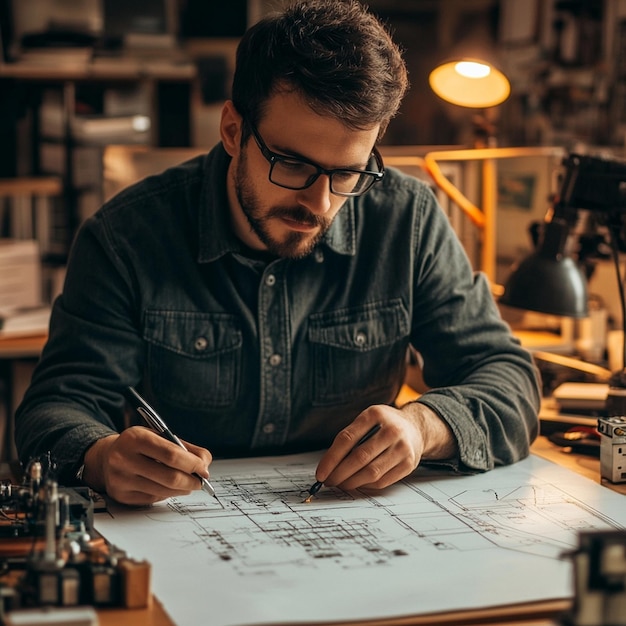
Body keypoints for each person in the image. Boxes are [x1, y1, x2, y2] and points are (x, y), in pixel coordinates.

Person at [14, 0, 541, 506]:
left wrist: (425, 426)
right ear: (232, 130)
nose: (319, 202)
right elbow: (53, 409)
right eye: (291, 164)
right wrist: (100, 457)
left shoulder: (408, 219)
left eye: (347, 173)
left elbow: (508, 378)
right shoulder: (125, 237)